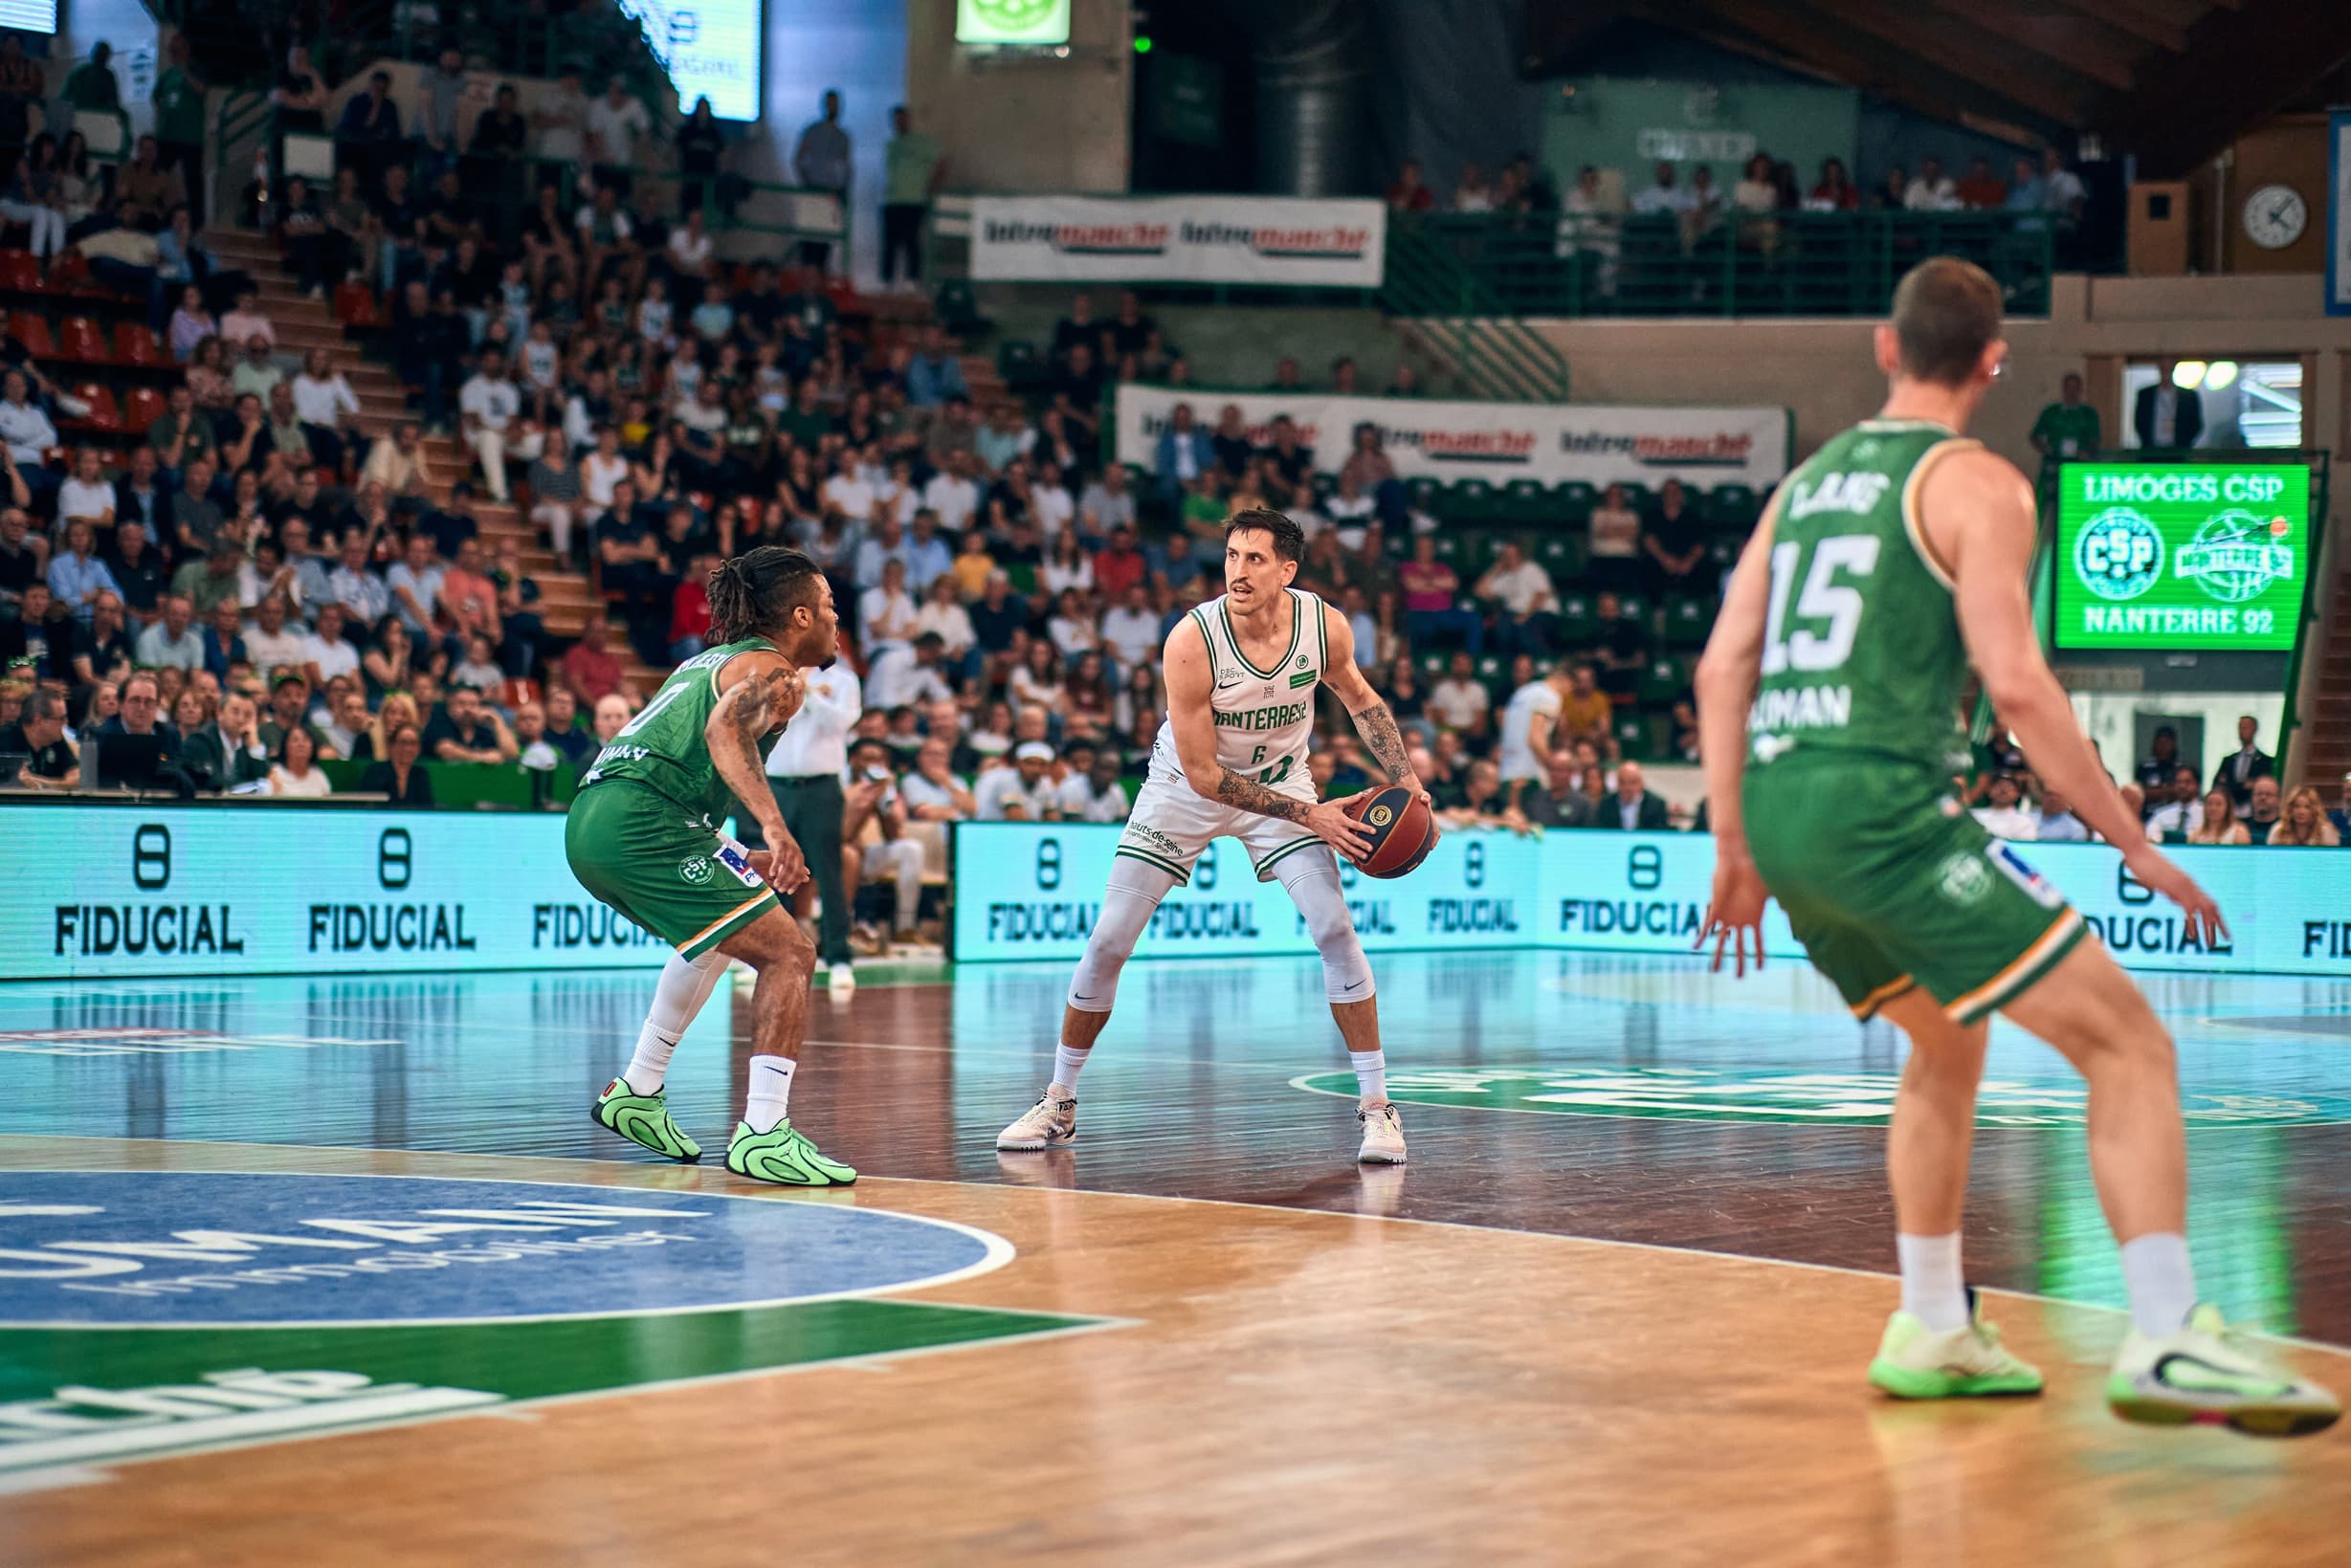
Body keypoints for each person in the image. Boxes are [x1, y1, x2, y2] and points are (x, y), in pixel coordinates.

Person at [1693, 255, 2336, 1432]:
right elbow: (2020, 687)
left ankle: (1934, 1323)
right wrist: (2135, 841)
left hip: (1784, 813)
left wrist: (1735, 841)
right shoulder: (1979, 485)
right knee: (2131, 1045)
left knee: (1945, 1038)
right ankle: (2166, 1332)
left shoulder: (1805, 486)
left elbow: (1722, 665)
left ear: (1886, 350)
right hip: (1883, 809)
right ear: (1994, 363)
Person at [996, 510, 1434, 1168]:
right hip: (1183, 790)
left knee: (1334, 929)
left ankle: (1377, 1109)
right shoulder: (1191, 640)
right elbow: (1204, 775)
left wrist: (1407, 782)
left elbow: (1363, 700)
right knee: (1109, 938)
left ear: (1287, 570)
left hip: (1281, 782)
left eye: (1255, 558)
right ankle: (1059, 1100)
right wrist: (1309, 815)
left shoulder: (1323, 625)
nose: (1238, 570)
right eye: (1231, 556)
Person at [567, 545, 858, 1186]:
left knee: (728, 922)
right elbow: (725, 733)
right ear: (801, 614)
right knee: (790, 954)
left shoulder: (711, 660)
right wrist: (777, 829)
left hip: (600, 813)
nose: (840, 620)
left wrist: (742, 852)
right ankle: (762, 1133)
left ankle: (638, 1088)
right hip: (643, 820)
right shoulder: (779, 674)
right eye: (831, 607)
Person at [756, 638, 862, 990]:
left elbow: (842, 723)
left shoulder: (845, 681)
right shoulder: (774, 675)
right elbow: (767, 721)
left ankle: (839, 956)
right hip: (779, 786)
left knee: (828, 869)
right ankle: (768, 956)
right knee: (774, 869)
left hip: (821, 786)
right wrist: (795, 686)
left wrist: (812, 693)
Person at [880, 104, 943, 292]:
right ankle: (887, 280)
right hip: (892, 200)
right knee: (890, 242)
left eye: (902, 118)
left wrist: (931, 187)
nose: (900, 123)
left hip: (913, 200)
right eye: (896, 120)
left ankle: (912, 279)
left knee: (911, 241)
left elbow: (941, 161)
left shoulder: (921, 142)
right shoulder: (892, 145)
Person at [791, 90, 851, 274]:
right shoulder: (812, 131)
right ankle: (806, 270)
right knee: (809, 234)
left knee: (826, 235)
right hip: (812, 189)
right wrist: (806, 181)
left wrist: (842, 188)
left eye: (835, 104)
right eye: (830, 103)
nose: (832, 108)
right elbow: (799, 158)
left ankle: (821, 271)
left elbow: (845, 165)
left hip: (830, 192)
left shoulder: (842, 136)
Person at [0, 686, 78, 787]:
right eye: (61, 718)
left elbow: (77, 779)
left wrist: (41, 782)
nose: (65, 723)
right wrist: (61, 784)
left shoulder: (56, 740)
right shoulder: (5, 738)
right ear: (39, 721)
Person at [2029, 372, 2100, 466]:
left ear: (2080, 390)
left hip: (2079, 463)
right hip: (2054, 463)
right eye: (2069, 388)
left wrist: (2088, 453)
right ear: (2063, 389)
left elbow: (2095, 439)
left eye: (2075, 388)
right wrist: (2047, 449)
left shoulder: (2089, 413)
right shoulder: (2051, 412)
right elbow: (2034, 437)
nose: (2071, 392)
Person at [2208, 715, 2273, 812]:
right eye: (2240, 728)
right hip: (2231, 809)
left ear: (2254, 730)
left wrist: (2233, 786)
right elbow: (2218, 785)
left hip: (2253, 811)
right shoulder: (2229, 761)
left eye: (2246, 728)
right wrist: (2243, 786)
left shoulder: (2265, 762)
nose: (2242, 731)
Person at [2133, 361, 2203, 451]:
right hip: (2151, 454)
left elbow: (2195, 425)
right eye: (2164, 368)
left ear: (2173, 368)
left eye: (2168, 368)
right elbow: (2140, 423)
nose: (2166, 371)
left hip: (2179, 455)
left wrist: (2183, 444)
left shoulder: (2189, 396)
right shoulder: (2145, 394)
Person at [2271, 786, 2340, 849]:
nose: (2301, 812)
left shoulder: (2326, 831)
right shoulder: (2279, 830)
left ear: (2314, 810)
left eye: (2307, 807)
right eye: (2297, 806)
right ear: (2290, 809)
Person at [2185, 788, 2249, 847]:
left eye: (2218, 804)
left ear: (2227, 808)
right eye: (2209, 804)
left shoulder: (2239, 833)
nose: (2213, 808)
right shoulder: (2195, 835)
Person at [2243, 775, 2282, 845]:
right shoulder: (2241, 827)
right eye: (2259, 794)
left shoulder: (2284, 829)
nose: (2263, 798)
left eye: (2268, 794)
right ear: (2252, 797)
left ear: (2278, 800)